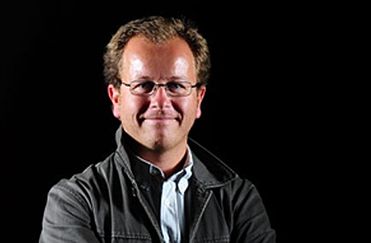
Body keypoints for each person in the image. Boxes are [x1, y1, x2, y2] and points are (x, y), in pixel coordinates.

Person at [39, 16, 276, 243]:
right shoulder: (76, 202)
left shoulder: (239, 201)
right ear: (116, 99)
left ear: (198, 99)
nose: (160, 102)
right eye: (144, 85)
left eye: (176, 85)